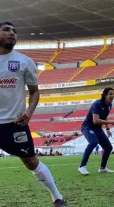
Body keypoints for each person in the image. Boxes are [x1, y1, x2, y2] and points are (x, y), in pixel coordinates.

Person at [0, 22, 66, 206]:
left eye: (14, 31)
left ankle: (57, 197)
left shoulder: (24, 61)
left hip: (14, 124)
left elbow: (35, 91)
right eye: (6, 29)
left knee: (30, 161)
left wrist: (29, 112)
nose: (12, 33)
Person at [78, 88, 114, 175]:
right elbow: (95, 121)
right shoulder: (97, 104)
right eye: (110, 94)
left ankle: (102, 168)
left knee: (108, 147)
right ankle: (82, 166)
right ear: (105, 95)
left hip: (98, 129)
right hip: (88, 127)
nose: (112, 95)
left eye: (113, 94)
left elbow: (104, 116)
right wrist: (112, 122)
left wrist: (107, 129)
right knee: (93, 142)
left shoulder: (109, 105)